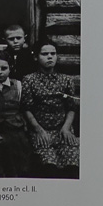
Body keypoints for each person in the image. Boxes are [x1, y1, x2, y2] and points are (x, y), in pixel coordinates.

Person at [22, 42, 79, 176]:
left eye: (53, 54)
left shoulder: (66, 80)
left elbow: (71, 107)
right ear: (36, 57)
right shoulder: (29, 80)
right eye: (45, 54)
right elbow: (26, 108)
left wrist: (66, 128)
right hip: (41, 131)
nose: (49, 57)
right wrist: (39, 130)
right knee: (49, 167)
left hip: (62, 129)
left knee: (72, 166)